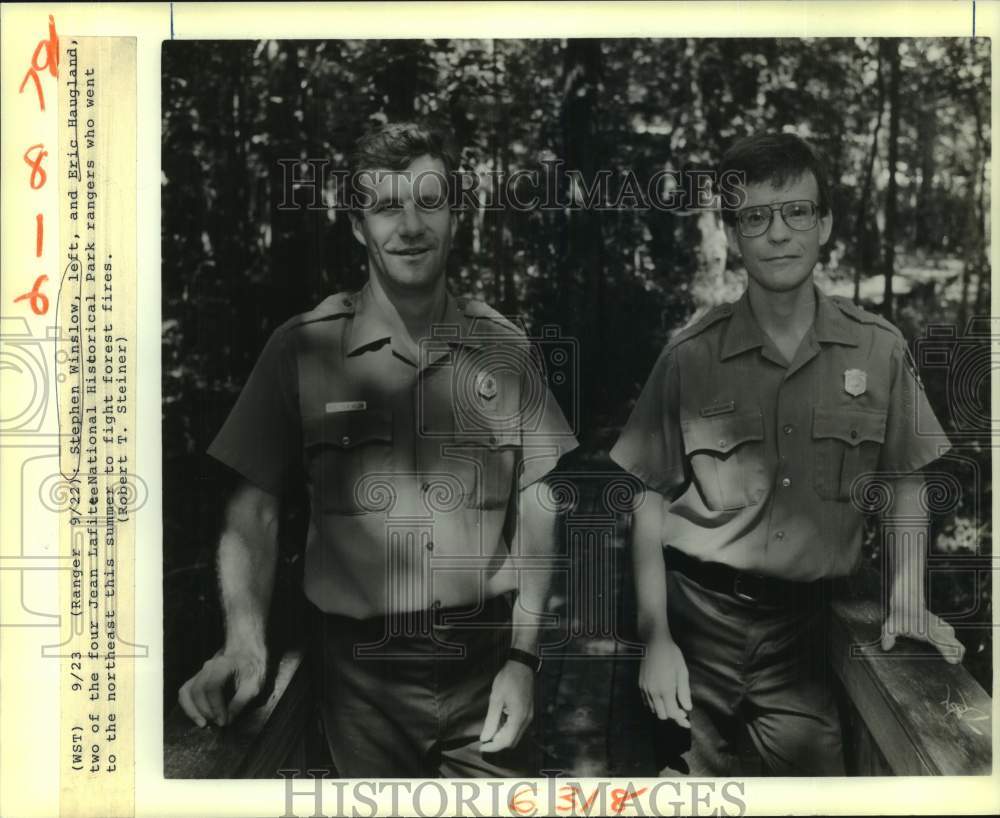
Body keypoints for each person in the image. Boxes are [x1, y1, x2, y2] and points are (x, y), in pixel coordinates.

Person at [178, 121, 578, 777]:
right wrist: (243, 644)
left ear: (457, 214)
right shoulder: (303, 347)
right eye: (387, 206)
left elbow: (539, 504)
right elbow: (253, 510)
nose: (410, 225)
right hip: (357, 689)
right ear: (359, 226)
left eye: (428, 200)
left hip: (484, 670)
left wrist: (525, 660)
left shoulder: (504, 346)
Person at [611, 132, 963, 776]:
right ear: (734, 234)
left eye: (797, 210)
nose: (778, 233)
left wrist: (908, 594)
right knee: (677, 790)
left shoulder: (876, 350)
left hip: (806, 634)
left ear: (824, 223)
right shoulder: (692, 356)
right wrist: (655, 636)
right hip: (696, 621)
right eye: (755, 216)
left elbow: (908, 477)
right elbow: (645, 495)